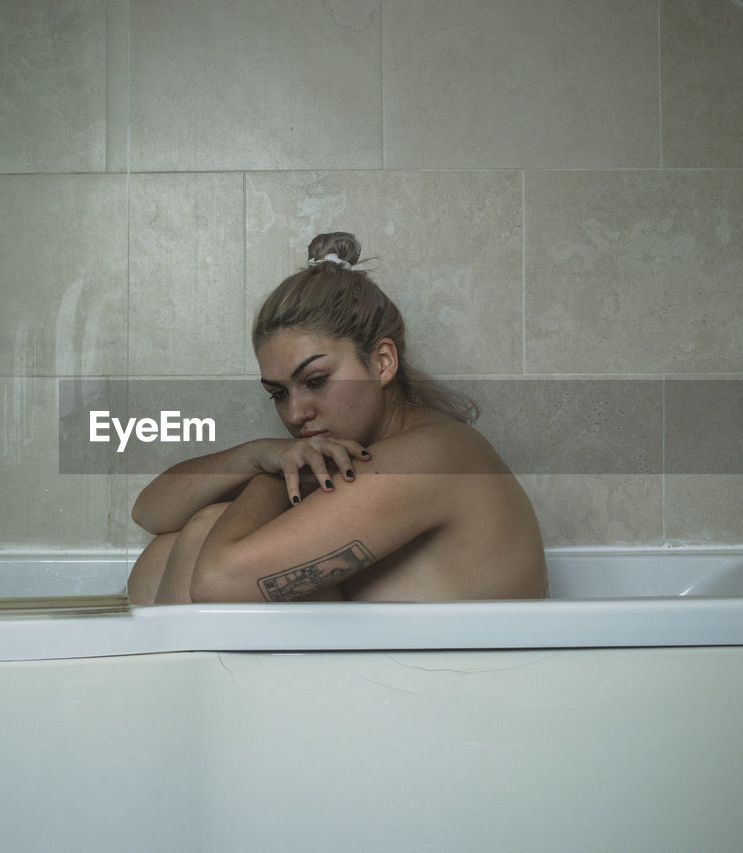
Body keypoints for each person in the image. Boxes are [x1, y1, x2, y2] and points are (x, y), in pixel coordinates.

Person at [128, 232, 546, 604]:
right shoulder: (365, 455)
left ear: (382, 363)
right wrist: (260, 454)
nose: (295, 414)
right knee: (170, 546)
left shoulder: (431, 456)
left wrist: (273, 475)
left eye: (315, 380)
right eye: (278, 393)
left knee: (207, 529)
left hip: (468, 685)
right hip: (399, 679)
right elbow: (149, 512)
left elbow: (218, 580)